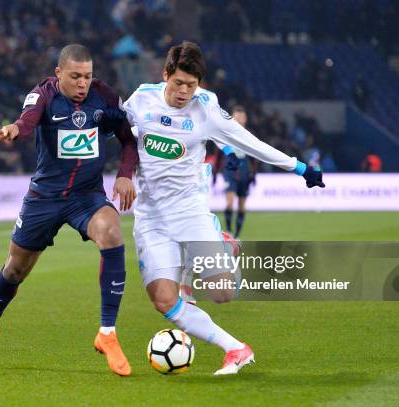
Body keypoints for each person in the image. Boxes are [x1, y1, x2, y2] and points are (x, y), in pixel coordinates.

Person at [122, 41, 324, 375]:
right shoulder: (140, 99)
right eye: (179, 84)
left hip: (190, 211)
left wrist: (299, 167)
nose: (185, 92)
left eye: (192, 85)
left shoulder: (206, 107)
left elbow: (248, 141)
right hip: (150, 217)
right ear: (165, 76)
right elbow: (117, 132)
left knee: (222, 293)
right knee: (163, 300)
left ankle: (222, 242)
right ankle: (236, 349)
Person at [0, 44, 138, 376]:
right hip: (45, 197)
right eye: (75, 77)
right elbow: (26, 122)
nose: (83, 83)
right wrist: (14, 130)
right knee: (14, 270)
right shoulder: (43, 95)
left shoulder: (105, 97)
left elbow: (128, 139)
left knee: (111, 232)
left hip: (86, 197)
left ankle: (107, 333)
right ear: (58, 74)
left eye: (87, 76)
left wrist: (125, 175)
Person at [219, 105, 257, 238]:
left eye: (242, 117)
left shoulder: (249, 134)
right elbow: (219, 151)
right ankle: (229, 231)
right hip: (230, 170)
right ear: (232, 117)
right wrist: (215, 173)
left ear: (246, 119)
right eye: (237, 116)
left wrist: (254, 174)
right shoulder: (226, 132)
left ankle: (237, 235)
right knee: (229, 202)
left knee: (241, 205)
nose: (240, 119)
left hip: (245, 171)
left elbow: (254, 156)